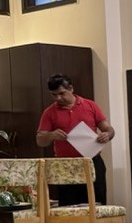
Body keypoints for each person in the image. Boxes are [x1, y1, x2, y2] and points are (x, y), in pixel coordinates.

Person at [36, 74, 115, 205]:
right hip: (65, 165)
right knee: (68, 207)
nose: (58, 98)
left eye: (62, 93)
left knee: (96, 204)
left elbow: (108, 129)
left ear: (71, 89)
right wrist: (51, 135)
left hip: (92, 161)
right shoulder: (49, 112)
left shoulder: (90, 105)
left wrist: (107, 134)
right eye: (54, 95)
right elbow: (40, 140)